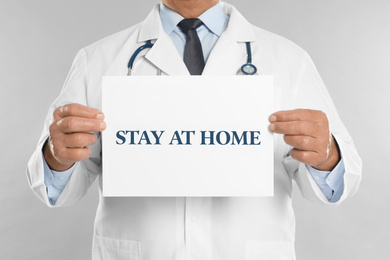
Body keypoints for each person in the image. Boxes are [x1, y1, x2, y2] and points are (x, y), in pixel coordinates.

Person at [27, 0, 362, 259]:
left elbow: (338, 182)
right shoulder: (98, 59)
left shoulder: (289, 60)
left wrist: (327, 155)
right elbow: (57, 189)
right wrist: (57, 158)